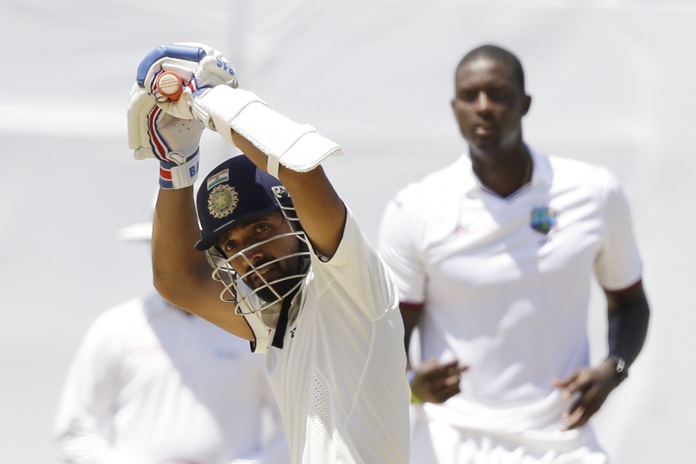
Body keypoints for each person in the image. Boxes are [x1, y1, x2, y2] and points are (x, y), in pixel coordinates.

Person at [126, 43, 410, 464]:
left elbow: (298, 167)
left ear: (296, 219)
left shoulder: (350, 283)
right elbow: (177, 281)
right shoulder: (274, 321)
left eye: (261, 228)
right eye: (232, 246)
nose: (250, 254)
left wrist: (209, 99)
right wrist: (175, 164)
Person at [377, 44, 651, 463]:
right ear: (454, 107)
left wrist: (613, 369)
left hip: (563, 441)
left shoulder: (593, 193)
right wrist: (411, 385)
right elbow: (386, 338)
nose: (483, 107)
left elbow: (630, 303)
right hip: (451, 441)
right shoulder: (416, 207)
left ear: (525, 104)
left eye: (498, 94)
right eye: (470, 96)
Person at [53, 220, 290, 464]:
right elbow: (75, 430)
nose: (179, 262)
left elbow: (294, 426)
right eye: (167, 249)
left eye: (193, 252)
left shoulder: (257, 328)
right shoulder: (115, 327)